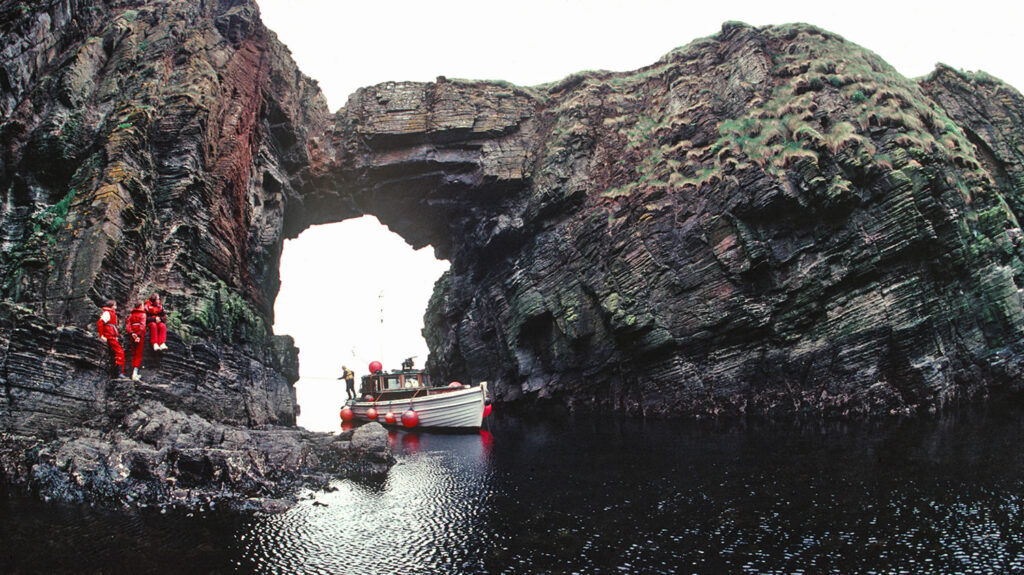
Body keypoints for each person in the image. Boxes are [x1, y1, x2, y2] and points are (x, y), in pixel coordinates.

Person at [97, 299, 126, 379]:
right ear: (112, 306)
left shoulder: (112, 314)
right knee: (120, 352)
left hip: (112, 336)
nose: (116, 307)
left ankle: (119, 372)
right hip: (109, 336)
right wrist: (101, 335)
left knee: (119, 352)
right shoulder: (107, 313)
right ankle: (119, 373)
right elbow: (100, 323)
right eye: (115, 305)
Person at [125, 301, 147, 381]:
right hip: (139, 335)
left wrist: (132, 333)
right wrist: (139, 335)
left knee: (133, 353)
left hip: (132, 335)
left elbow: (128, 326)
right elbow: (142, 325)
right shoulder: (143, 314)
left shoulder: (131, 315)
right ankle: (135, 373)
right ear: (141, 306)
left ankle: (132, 372)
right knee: (138, 353)